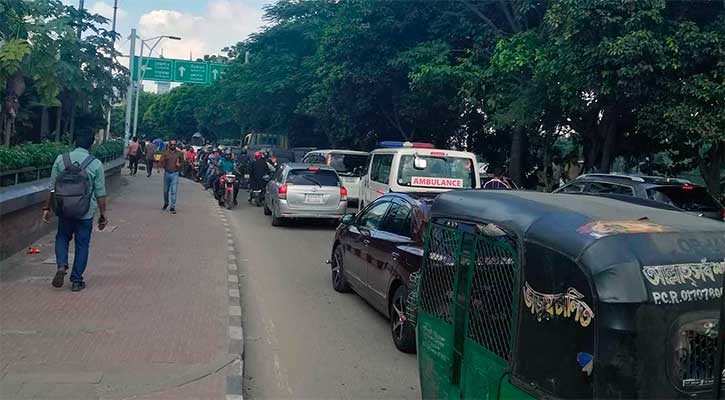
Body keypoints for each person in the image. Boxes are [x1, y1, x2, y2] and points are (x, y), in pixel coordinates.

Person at [43, 132, 107, 292]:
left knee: (62, 237)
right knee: (82, 244)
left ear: (74, 142)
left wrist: (47, 208)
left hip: (64, 209)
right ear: (91, 145)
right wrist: (103, 215)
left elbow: (52, 187)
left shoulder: (61, 159)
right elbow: (100, 192)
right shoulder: (96, 164)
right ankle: (77, 280)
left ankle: (62, 265)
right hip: (85, 212)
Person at [160, 139, 184, 214]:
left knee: (174, 191)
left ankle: (172, 207)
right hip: (167, 173)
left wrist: (179, 165)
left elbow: (183, 163)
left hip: (175, 174)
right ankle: (166, 203)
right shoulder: (165, 153)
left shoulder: (180, 154)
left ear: (176, 145)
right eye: (171, 144)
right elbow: (161, 161)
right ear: (169, 145)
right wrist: (160, 166)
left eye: (174, 144)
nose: (173, 146)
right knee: (165, 191)